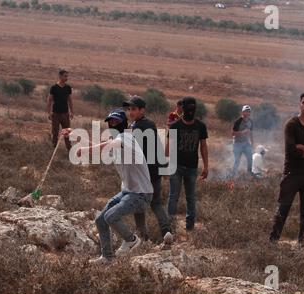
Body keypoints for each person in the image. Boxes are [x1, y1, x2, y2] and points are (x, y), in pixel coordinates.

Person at [63, 109, 153, 265]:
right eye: (110, 122)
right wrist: (78, 137)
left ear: (124, 123)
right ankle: (107, 257)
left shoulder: (126, 137)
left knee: (110, 216)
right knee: (100, 220)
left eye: (116, 122)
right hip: (128, 192)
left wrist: (83, 150)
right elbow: (102, 148)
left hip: (141, 194)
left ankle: (131, 240)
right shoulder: (117, 143)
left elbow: (108, 145)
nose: (112, 124)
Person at [270, 92, 304, 246]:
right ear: (300, 104)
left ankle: (302, 247)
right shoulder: (291, 124)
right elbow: (291, 151)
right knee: (283, 210)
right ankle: (272, 244)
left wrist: (301, 147)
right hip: (292, 174)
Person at [125, 96, 173, 244]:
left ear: (142, 110)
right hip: (156, 170)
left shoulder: (137, 127)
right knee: (156, 204)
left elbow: (133, 150)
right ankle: (167, 232)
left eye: (134, 109)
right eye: (129, 109)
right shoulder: (149, 123)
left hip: (145, 172)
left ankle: (143, 238)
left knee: (138, 204)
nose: (130, 112)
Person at [167, 97, 209, 231]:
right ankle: (171, 227)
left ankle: (185, 227)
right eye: (189, 107)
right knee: (177, 196)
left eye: (193, 107)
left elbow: (203, 147)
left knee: (187, 197)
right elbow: (168, 151)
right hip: (177, 166)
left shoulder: (201, 126)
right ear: (182, 108)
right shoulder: (175, 125)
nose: (191, 110)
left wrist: (206, 166)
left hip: (191, 167)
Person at [48, 69, 74, 150]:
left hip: (65, 114)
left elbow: (70, 100)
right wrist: (49, 113)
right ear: (60, 76)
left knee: (67, 133)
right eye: (65, 76)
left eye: (67, 76)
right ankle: (54, 149)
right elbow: (49, 100)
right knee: (55, 132)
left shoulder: (68, 88)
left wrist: (72, 112)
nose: (66, 78)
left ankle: (69, 150)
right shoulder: (54, 88)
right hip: (56, 114)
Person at [232, 105, 254, 177]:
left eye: (249, 112)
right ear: (242, 112)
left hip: (246, 143)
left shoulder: (250, 121)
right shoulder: (238, 121)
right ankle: (233, 175)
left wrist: (252, 143)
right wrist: (243, 132)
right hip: (237, 143)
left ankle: (249, 173)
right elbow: (233, 133)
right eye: (246, 111)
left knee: (250, 158)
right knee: (237, 161)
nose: (247, 113)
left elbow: (250, 133)